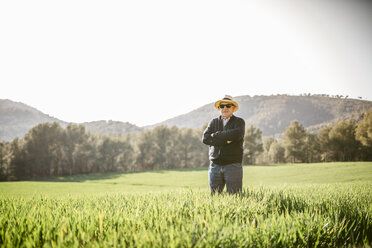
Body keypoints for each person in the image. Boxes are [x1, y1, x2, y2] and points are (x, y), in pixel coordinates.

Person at [202, 95, 245, 195]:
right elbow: (205, 138)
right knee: (215, 198)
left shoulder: (239, 122)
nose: (225, 108)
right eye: (222, 106)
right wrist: (226, 140)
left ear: (233, 108)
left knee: (235, 197)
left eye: (228, 106)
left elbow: (237, 134)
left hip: (233, 165)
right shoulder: (213, 122)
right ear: (219, 108)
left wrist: (215, 136)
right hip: (214, 166)